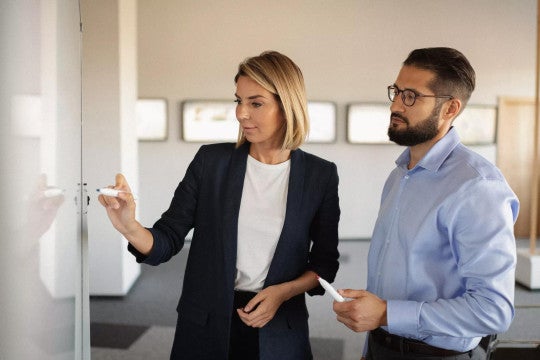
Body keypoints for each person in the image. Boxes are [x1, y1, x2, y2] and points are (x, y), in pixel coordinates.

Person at [98, 50, 340, 360]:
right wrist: (129, 226)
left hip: (280, 324)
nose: (241, 113)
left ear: (287, 106)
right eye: (239, 100)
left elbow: (323, 264)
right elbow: (168, 239)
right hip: (206, 322)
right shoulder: (211, 163)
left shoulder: (320, 175)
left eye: (256, 103)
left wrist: (284, 292)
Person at [333, 47, 519, 360]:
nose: (394, 104)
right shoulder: (399, 175)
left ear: (450, 109)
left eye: (411, 96)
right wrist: (375, 334)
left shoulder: (477, 186)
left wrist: (387, 314)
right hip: (381, 346)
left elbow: (493, 309)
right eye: (395, 91)